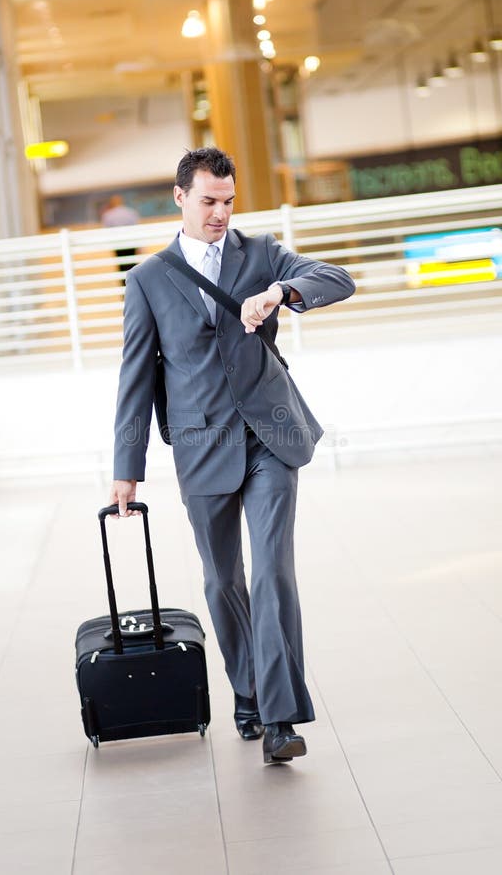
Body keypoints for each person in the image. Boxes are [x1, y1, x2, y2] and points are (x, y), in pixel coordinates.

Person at [110, 147, 355, 764]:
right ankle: (247, 690)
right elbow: (135, 378)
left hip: (271, 437)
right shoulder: (147, 280)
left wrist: (278, 291)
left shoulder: (262, 253)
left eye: (228, 201)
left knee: (272, 572)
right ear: (180, 198)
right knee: (223, 582)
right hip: (200, 446)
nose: (220, 213)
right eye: (208, 201)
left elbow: (337, 278)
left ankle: (279, 718)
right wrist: (127, 468)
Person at [100, 194, 140, 273]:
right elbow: (136, 228)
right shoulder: (130, 212)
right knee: (132, 263)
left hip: (118, 244)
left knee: (121, 264)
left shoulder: (107, 215)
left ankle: (124, 282)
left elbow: (107, 231)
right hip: (131, 242)